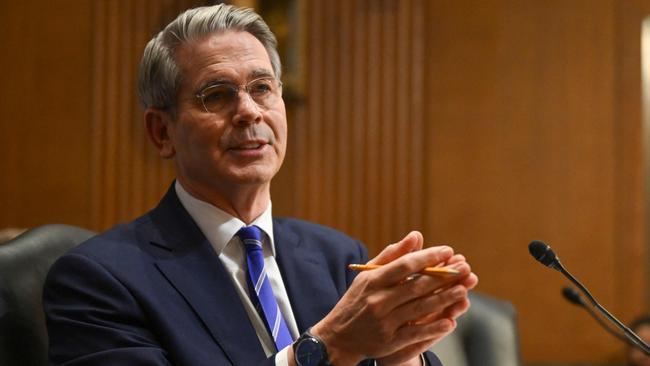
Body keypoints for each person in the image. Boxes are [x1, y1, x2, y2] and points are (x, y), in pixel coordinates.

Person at [43, 4, 478, 366]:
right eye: (216, 95)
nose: (249, 112)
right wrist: (328, 347)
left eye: (262, 88)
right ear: (162, 132)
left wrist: (398, 355)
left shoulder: (339, 258)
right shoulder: (98, 281)